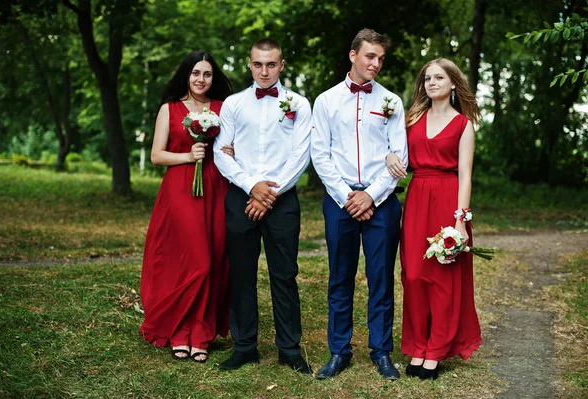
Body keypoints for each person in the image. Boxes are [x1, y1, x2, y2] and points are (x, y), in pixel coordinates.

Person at [310, 28, 408, 380]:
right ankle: (339, 350)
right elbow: (319, 154)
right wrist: (348, 196)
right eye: (370, 56)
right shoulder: (325, 101)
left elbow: (400, 156)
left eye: (381, 58)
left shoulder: (392, 102)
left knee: (381, 277)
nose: (376, 63)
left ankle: (381, 351)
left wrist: (372, 195)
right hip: (340, 201)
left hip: (382, 202)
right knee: (340, 277)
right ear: (353, 55)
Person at [213, 38, 313, 374]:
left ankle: (289, 349)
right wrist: (251, 186)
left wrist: (271, 192)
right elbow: (220, 152)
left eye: (271, 64)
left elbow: (302, 154)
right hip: (242, 195)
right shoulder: (233, 104)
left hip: (282, 200)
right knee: (242, 273)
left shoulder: (298, 103)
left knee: (284, 275)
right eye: (258, 64)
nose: (265, 71)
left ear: (282, 65)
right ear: (249, 64)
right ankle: (245, 347)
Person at [386, 58, 482, 380]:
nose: (432, 83)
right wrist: (390, 156)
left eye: (439, 77)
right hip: (416, 199)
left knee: (441, 279)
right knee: (413, 275)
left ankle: (435, 351)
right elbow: (394, 148)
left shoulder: (462, 125)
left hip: (448, 201)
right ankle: (416, 344)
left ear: (453, 83)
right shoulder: (412, 119)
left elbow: (466, 176)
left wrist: (460, 221)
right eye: (428, 78)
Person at [139, 51, 234, 363]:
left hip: (216, 187)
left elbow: (233, 146)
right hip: (181, 188)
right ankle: (179, 329)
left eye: (207, 74)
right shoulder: (170, 108)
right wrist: (187, 156)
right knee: (194, 261)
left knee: (215, 258)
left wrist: (230, 150)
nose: (201, 80)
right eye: (196, 73)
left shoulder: (222, 108)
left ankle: (201, 332)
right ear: (186, 74)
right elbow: (156, 155)